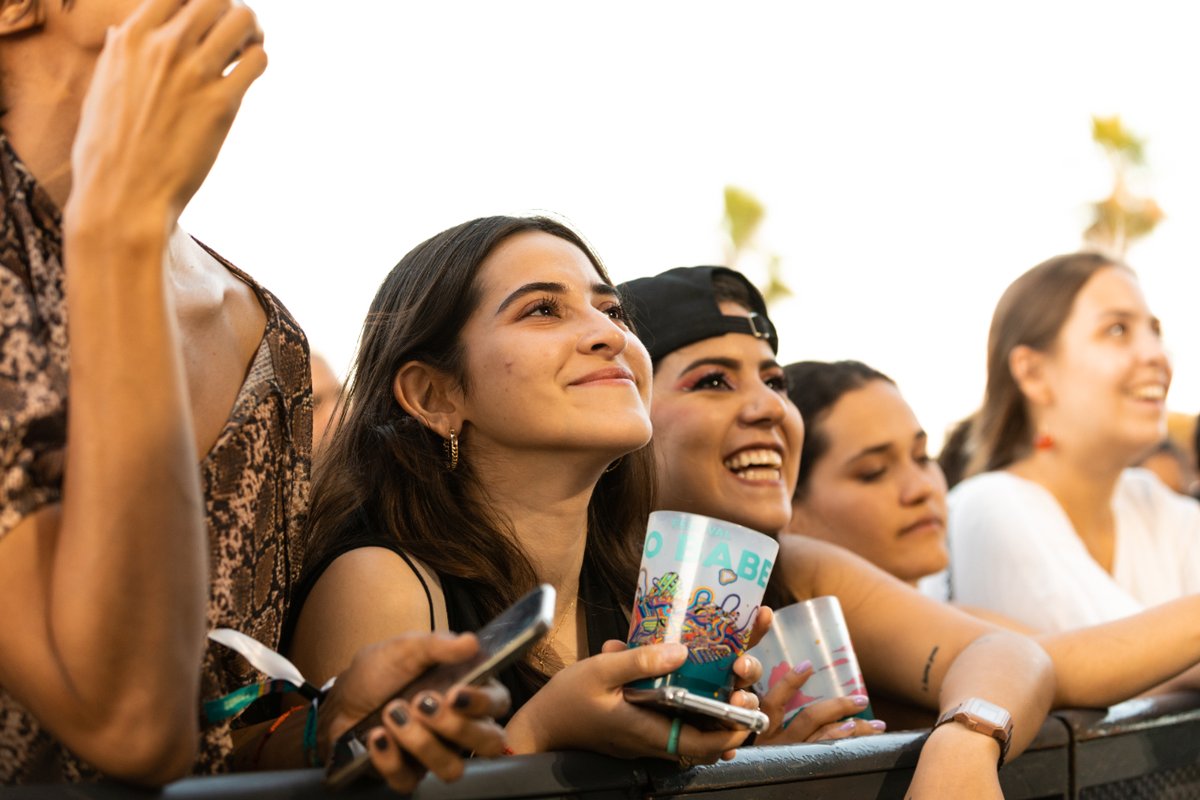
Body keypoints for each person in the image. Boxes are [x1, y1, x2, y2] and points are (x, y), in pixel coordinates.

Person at [0, 0, 503, 788]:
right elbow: (129, 722)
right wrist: (121, 228)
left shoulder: (264, 334)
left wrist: (319, 728)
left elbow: (204, 725)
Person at [287, 216, 762, 765]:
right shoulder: (382, 585)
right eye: (542, 309)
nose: (611, 335)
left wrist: (759, 751)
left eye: (612, 311)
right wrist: (538, 734)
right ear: (434, 394)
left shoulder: (642, 594)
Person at [619, 267, 1054, 798]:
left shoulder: (796, 570)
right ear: (626, 403)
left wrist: (964, 745)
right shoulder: (565, 585)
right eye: (714, 381)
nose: (770, 407)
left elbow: (1014, 653)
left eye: (775, 382)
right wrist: (745, 779)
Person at [783, 358, 1200, 703]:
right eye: (873, 473)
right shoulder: (824, 629)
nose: (922, 488)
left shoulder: (958, 617)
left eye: (921, 456)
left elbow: (1082, 661)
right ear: (789, 504)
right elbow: (1061, 668)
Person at [947, 252, 1200, 633]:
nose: (1155, 355)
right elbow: (1096, 664)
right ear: (1032, 373)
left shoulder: (1156, 506)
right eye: (1117, 330)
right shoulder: (989, 506)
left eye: (1155, 331)